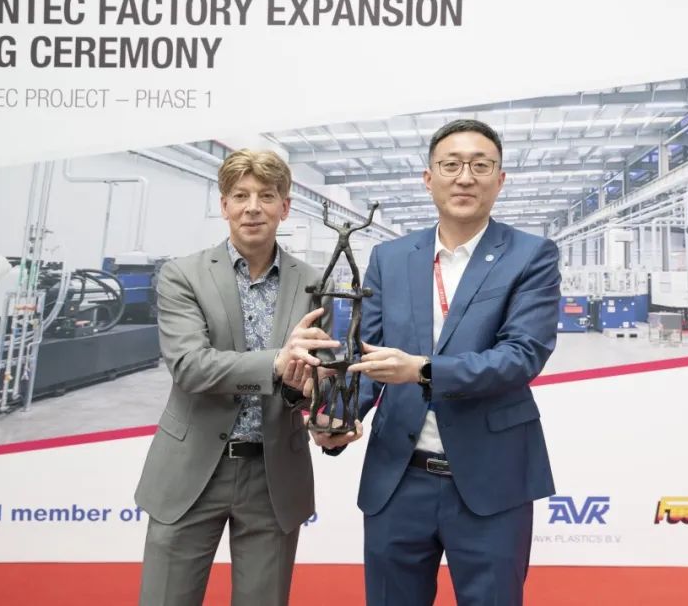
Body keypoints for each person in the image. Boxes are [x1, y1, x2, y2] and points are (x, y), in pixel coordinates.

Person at [318, 119, 562, 605]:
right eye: (451, 165)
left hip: (492, 479)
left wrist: (423, 371)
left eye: (480, 166)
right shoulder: (390, 257)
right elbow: (368, 355)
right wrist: (336, 418)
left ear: (500, 179)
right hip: (398, 477)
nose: (465, 177)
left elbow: (522, 355)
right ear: (429, 178)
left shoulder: (531, 255)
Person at [134, 149, 360, 606]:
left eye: (266, 196)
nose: (252, 207)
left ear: (285, 207)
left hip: (273, 475)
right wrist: (276, 363)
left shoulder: (314, 283)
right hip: (191, 470)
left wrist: (320, 412)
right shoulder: (183, 276)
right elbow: (190, 366)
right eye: (240, 196)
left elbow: (311, 380)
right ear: (224, 206)